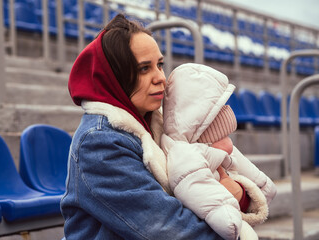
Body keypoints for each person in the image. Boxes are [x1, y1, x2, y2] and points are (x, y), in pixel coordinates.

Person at [60, 14, 226, 239]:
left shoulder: (155, 123)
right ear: (115, 76)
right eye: (144, 69)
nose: (161, 78)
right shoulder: (99, 142)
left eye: (160, 65)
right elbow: (166, 229)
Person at [160, 63, 277, 240]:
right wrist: (225, 215)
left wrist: (263, 186)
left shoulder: (207, 145)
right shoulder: (183, 153)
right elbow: (197, 185)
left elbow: (249, 170)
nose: (228, 145)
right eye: (218, 138)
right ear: (201, 130)